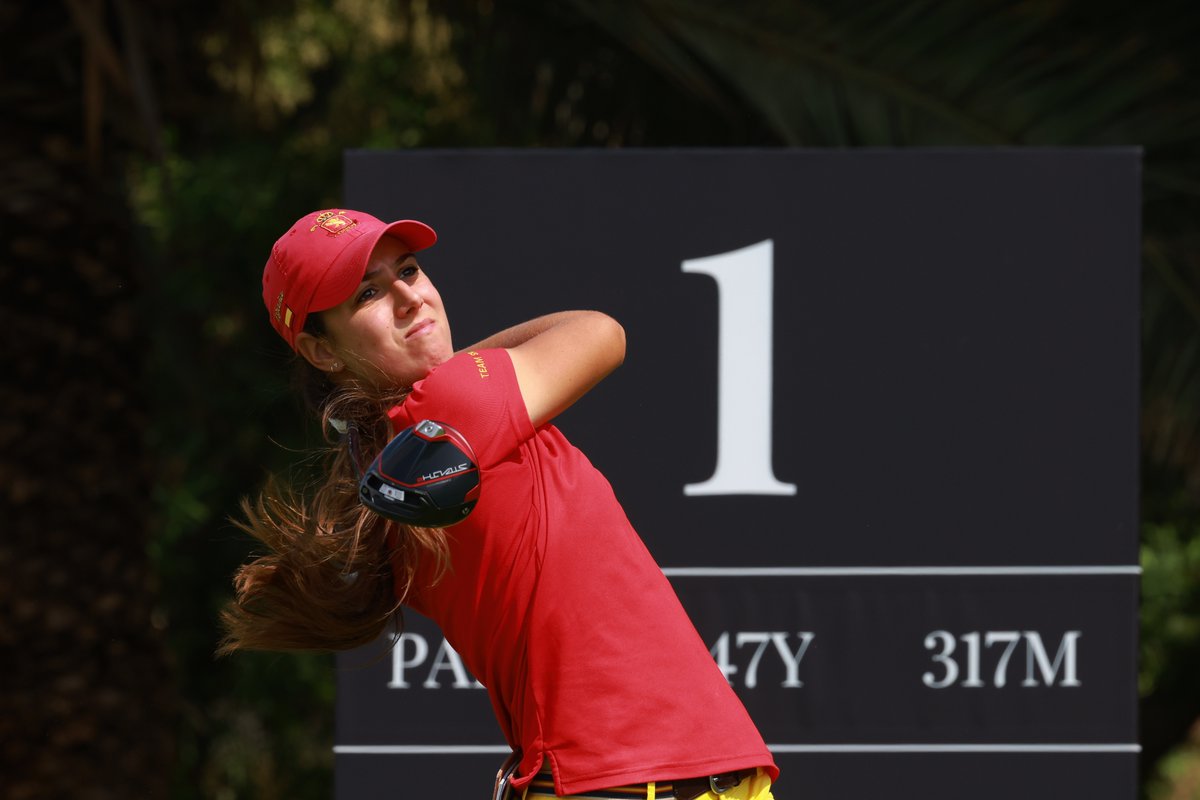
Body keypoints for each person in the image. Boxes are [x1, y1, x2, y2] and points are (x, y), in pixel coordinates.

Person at [221, 208, 779, 799]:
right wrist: (454, 369)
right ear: (322, 352)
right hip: (627, 781)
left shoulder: (390, 455)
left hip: (664, 779)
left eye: (408, 271)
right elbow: (601, 331)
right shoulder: (452, 406)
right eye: (368, 294)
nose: (409, 298)